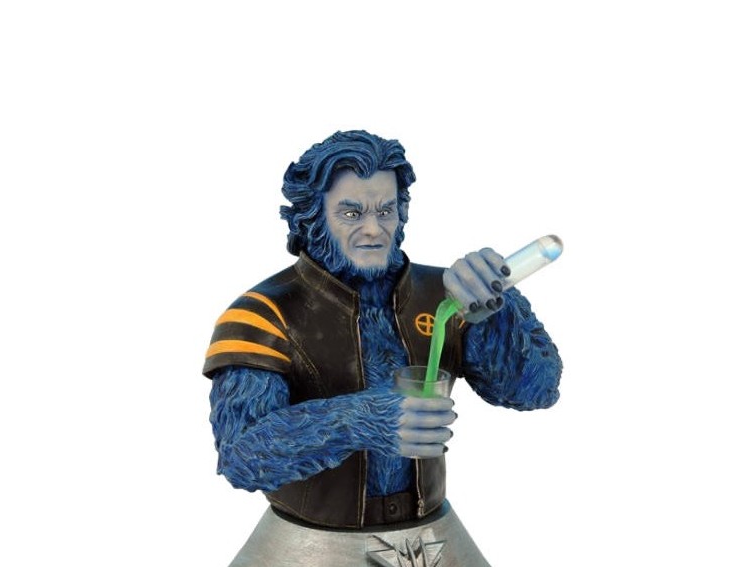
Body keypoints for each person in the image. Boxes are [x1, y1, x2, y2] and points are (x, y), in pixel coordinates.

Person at [204, 130, 561, 530]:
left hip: (431, 531)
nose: (374, 229)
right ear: (312, 219)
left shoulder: (446, 295)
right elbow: (241, 456)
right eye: (351, 214)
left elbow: (535, 391)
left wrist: (497, 308)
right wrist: (359, 420)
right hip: (310, 541)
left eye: (385, 211)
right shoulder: (262, 314)